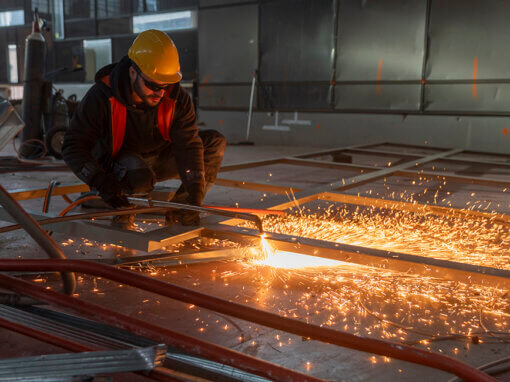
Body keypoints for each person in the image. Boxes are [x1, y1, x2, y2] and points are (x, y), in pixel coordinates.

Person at [62, 29, 226, 229]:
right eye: (152, 85)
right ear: (133, 73)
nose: (159, 92)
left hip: (158, 158)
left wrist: (195, 189)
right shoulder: (102, 97)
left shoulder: (176, 98)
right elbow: (72, 146)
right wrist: (102, 183)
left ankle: (184, 208)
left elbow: (189, 145)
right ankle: (124, 211)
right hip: (121, 167)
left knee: (214, 144)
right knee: (140, 176)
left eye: (165, 85)